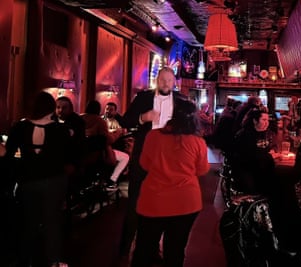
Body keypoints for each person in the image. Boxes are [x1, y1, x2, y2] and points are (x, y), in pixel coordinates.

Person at [131, 98, 210, 267]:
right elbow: (202, 170)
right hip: (186, 202)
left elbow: (144, 164)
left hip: (154, 201)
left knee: (144, 248)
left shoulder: (153, 136)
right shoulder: (198, 142)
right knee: (175, 250)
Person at [119, 67, 186, 257]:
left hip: (168, 162)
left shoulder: (181, 101)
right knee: (134, 203)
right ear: (157, 81)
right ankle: (124, 248)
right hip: (143, 158)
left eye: (169, 80)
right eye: (162, 80)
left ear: (174, 83)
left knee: (161, 205)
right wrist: (143, 118)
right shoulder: (143, 98)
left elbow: (190, 128)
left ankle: (152, 247)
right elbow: (125, 121)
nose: (166, 83)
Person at [5, 91, 72, 267]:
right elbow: (69, 157)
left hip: (28, 180)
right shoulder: (62, 130)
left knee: (28, 222)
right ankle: (54, 261)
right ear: (51, 108)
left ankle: (24, 260)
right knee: (52, 221)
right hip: (55, 181)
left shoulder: (19, 127)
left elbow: (8, 154)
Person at [81, 100, 129, 190]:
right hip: (97, 154)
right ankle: (111, 181)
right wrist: (117, 133)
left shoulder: (80, 118)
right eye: (107, 109)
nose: (108, 111)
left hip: (80, 153)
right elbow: (107, 140)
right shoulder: (100, 120)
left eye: (111, 109)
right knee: (125, 157)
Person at [231, 109, 277, 196]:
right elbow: (248, 156)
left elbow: (272, 146)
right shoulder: (244, 135)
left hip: (262, 168)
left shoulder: (267, 133)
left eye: (268, 120)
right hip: (248, 171)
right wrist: (269, 156)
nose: (267, 123)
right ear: (255, 121)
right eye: (263, 120)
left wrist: (273, 150)